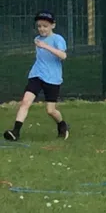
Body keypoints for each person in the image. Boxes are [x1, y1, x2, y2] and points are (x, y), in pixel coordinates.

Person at [3, 11, 70, 141]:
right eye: (39, 26)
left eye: (45, 26)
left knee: (50, 110)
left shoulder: (58, 39)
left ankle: (62, 124)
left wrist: (46, 46)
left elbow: (63, 56)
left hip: (52, 78)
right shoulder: (37, 39)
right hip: (36, 75)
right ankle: (15, 132)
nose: (42, 29)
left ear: (53, 25)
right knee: (25, 102)